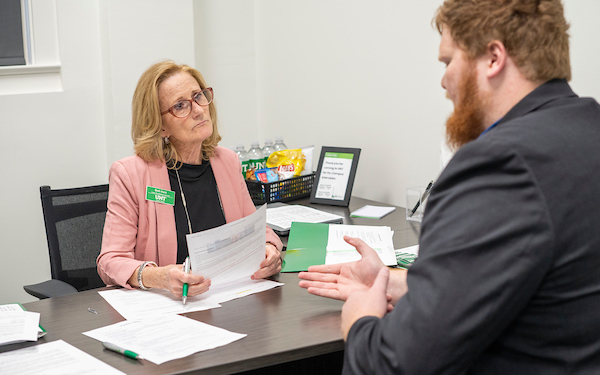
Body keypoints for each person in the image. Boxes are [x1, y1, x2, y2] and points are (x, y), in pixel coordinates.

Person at [299, 0, 600, 373]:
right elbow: (539, 283)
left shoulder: (497, 164)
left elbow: (397, 364)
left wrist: (360, 321)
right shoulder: (589, 131)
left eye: (447, 62)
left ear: (493, 57)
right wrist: (396, 282)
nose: (444, 81)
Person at [97, 61, 283, 298]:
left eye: (198, 96)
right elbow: (110, 262)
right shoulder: (130, 174)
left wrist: (269, 250)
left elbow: (256, 230)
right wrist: (160, 277)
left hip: (230, 299)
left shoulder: (226, 161)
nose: (198, 110)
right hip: (169, 310)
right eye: (180, 105)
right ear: (160, 125)